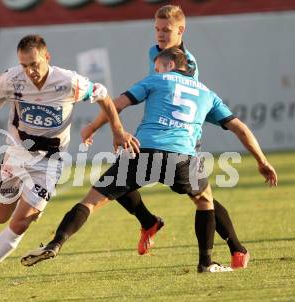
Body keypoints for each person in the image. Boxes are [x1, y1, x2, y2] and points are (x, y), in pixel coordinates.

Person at [21, 47, 277, 273]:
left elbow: (117, 103)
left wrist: (100, 128)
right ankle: (206, 263)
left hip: (143, 151)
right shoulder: (207, 93)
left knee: (92, 200)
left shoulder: (156, 80)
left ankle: (56, 243)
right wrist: (262, 161)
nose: (156, 70)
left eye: (158, 66)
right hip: (181, 157)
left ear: (169, 65)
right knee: (204, 199)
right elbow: (240, 128)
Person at [0, 34, 139, 292]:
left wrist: (118, 130)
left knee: (20, 223)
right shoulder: (12, 79)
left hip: (49, 163)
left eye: (35, 64)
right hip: (16, 156)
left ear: (47, 58)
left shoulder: (68, 81)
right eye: (25, 65)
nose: (30, 71)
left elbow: (104, 96)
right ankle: (18, 202)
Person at [82, 4, 251, 270]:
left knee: (202, 197)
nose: (160, 35)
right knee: (122, 179)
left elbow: (183, 100)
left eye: (166, 30)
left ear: (181, 31)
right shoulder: (156, 51)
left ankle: (235, 248)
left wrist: (95, 125)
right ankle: (150, 222)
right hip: (157, 135)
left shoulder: (188, 63)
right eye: (157, 29)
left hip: (182, 136)